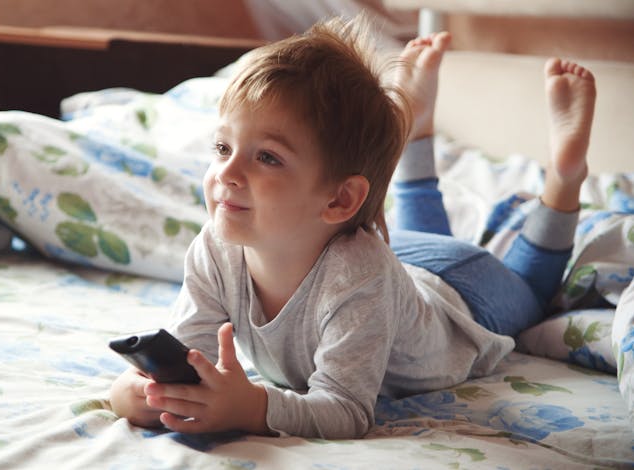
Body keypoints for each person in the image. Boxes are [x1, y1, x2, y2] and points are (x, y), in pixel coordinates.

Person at [109, 16, 597, 439]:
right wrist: (143, 391)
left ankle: (564, 179)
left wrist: (255, 407)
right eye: (222, 148)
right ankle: (415, 127)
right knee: (415, 233)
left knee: (532, 294)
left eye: (267, 157)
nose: (227, 174)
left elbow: (345, 411)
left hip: (466, 292)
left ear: (340, 200)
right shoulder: (216, 247)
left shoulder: (358, 275)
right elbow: (189, 360)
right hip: (402, 260)